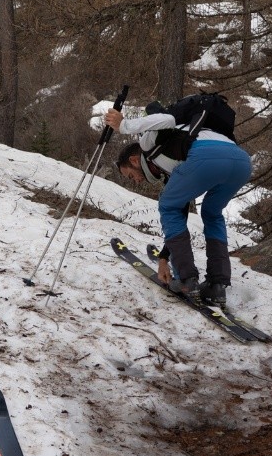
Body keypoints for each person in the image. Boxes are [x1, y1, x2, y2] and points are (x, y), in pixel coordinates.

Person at [105, 104, 253, 307]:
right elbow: (179, 216)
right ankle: (217, 285)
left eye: (131, 176)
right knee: (212, 213)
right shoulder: (171, 157)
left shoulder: (148, 145)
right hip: (241, 161)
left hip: (206, 155)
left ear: (134, 160)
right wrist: (164, 258)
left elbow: (164, 119)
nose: (137, 181)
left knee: (167, 205)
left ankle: (186, 280)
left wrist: (124, 125)